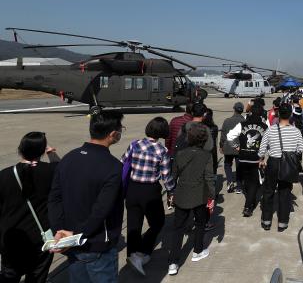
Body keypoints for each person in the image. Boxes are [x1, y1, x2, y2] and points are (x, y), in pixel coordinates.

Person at [48, 110, 125, 282]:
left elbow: (54, 199)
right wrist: (78, 233)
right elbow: (101, 210)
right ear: (113, 134)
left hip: (70, 243)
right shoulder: (113, 167)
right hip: (96, 245)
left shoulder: (69, 158)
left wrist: (60, 232)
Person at [0, 132, 59, 283]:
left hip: (12, 237)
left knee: (9, 275)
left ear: (20, 150)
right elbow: (60, 166)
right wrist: (51, 153)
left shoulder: (4, 175)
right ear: (41, 151)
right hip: (41, 238)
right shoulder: (51, 172)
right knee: (37, 276)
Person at [122, 117, 175, 276]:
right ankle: (141, 252)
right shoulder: (162, 151)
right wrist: (172, 191)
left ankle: (132, 255)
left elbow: (123, 161)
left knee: (133, 225)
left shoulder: (135, 144)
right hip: (150, 191)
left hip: (132, 188)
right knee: (158, 222)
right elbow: (166, 175)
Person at [168, 123, 216, 276]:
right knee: (200, 223)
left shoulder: (180, 154)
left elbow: (173, 175)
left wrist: (171, 193)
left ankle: (173, 262)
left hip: (182, 193)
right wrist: (211, 196)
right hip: (199, 195)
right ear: (204, 140)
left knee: (178, 228)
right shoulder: (206, 156)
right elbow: (209, 178)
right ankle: (197, 251)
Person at [258, 103, 303, 231]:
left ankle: (266, 221)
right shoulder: (296, 131)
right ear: (290, 114)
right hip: (288, 164)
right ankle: (282, 222)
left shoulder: (271, 130)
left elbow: (262, 148)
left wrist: (261, 159)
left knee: (268, 192)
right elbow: (300, 149)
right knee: (285, 193)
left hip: (273, 162)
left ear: (278, 114)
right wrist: (291, 154)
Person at [226, 105, 268, 217]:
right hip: (257, 158)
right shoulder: (265, 126)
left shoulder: (242, 124)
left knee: (247, 180)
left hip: (243, 157)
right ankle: (248, 206)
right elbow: (269, 142)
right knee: (254, 182)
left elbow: (229, 136)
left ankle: (250, 200)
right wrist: (265, 155)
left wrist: (236, 147)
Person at [221, 102, 246, 194]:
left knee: (227, 164)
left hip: (228, 146)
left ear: (234, 109)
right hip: (239, 148)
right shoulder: (244, 121)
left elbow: (223, 136)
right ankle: (239, 187)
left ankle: (230, 181)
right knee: (239, 166)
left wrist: (221, 146)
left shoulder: (227, 121)